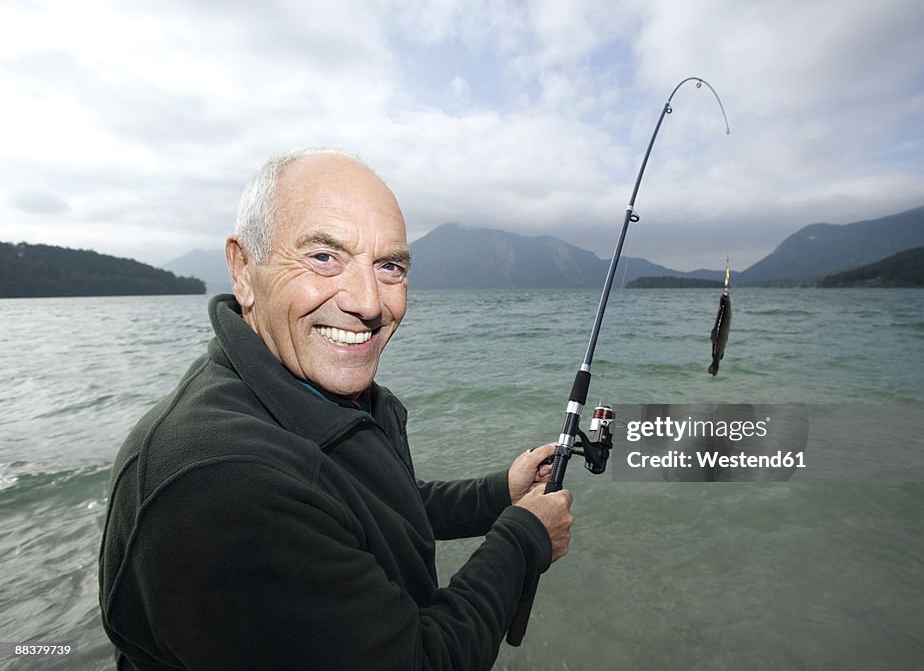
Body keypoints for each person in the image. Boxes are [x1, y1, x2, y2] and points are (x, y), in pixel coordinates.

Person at [99, 148, 574, 670]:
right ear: (242, 269)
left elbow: (370, 508)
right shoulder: (222, 484)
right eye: (324, 257)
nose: (369, 302)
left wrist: (498, 494)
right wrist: (524, 538)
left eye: (389, 266)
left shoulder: (298, 395)